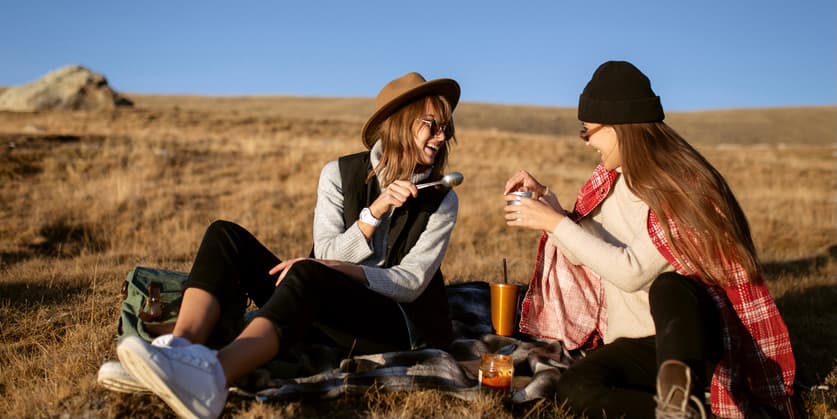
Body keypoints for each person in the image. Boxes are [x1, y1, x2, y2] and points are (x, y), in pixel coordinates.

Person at [112, 71, 461, 419]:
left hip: (393, 324)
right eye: (431, 124)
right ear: (399, 124)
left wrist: (336, 269)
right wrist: (373, 214)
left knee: (309, 272)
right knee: (225, 235)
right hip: (320, 299)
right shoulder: (338, 174)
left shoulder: (443, 200)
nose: (441, 135)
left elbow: (410, 284)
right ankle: (177, 351)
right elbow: (326, 253)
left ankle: (215, 375)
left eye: (446, 126)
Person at [503, 61, 797, 419]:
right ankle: (680, 411)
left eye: (588, 131)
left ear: (619, 126)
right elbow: (589, 255)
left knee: (669, 286)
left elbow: (632, 272)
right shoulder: (610, 181)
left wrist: (555, 223)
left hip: (695, 341)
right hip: (638, 344)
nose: (587, 142)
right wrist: (553, 212)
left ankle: (681, 382)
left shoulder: (681, 187)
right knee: (572, 389)